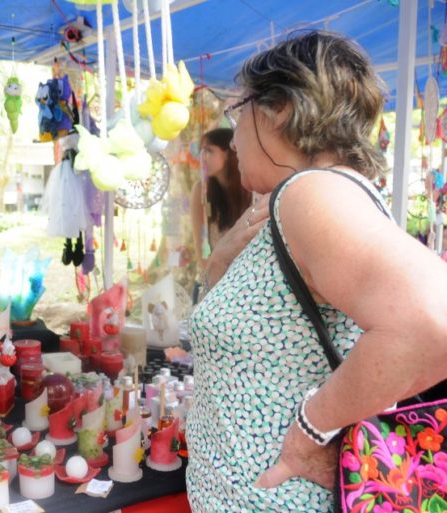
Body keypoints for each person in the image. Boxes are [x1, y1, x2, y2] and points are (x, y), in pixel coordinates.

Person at [186, 31, 447, 512]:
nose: (235, 130)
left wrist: (311, 430)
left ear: (279, 108)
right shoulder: (301, 201)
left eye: (238, 109)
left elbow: (433, 323)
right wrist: (221, 258)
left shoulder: (310, 194)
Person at [190, 127, 252, 302]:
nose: (202, 157)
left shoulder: (249, 190)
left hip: (244, 286)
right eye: (201, 151)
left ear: (228, 152)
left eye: (209, 151)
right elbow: (201, 248)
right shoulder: (201, 191)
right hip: (212, 283)